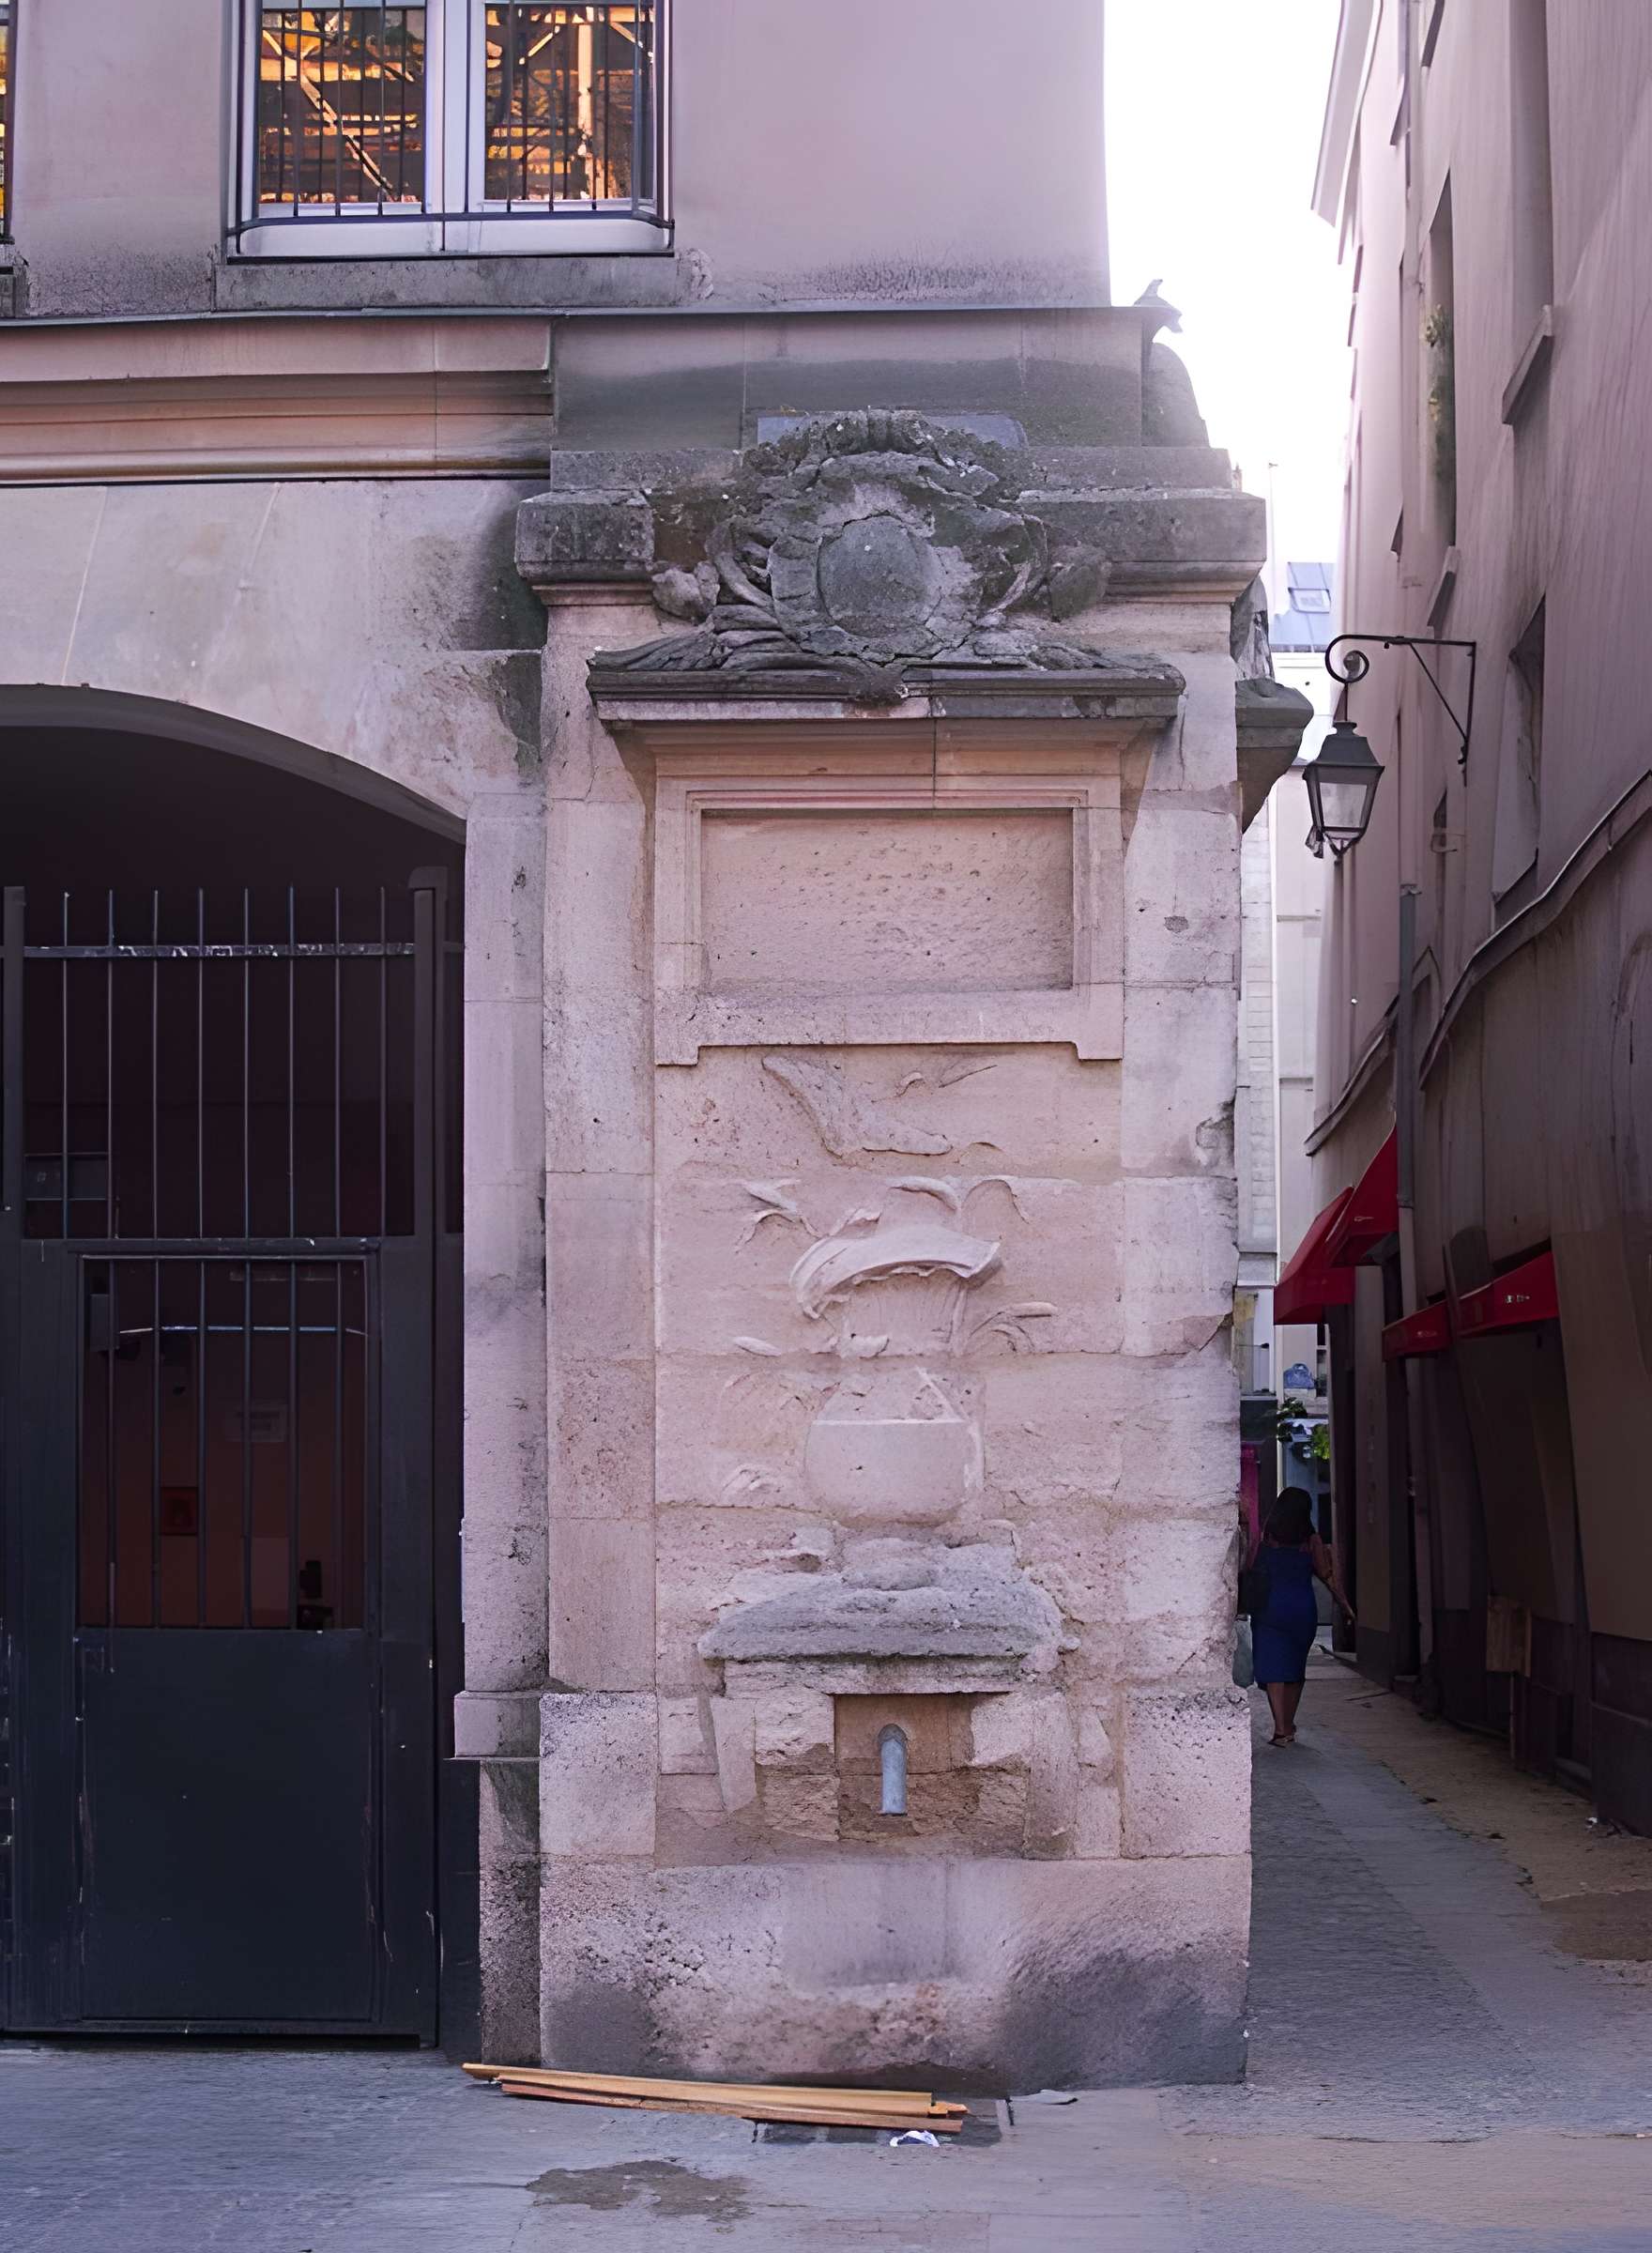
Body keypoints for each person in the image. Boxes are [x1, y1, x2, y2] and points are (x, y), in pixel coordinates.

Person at [1248, 1486, 1354, 1745]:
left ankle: (1280, 1728)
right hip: (1301, 1609)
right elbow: (1326, 1575)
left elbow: (1250, 1566)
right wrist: (1345, 1605)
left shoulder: (1266, 1538)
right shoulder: (1311, 1541)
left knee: (1273, 1667)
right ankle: (1289, 1724)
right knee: (1295, 1667)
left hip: (1269, 1608)